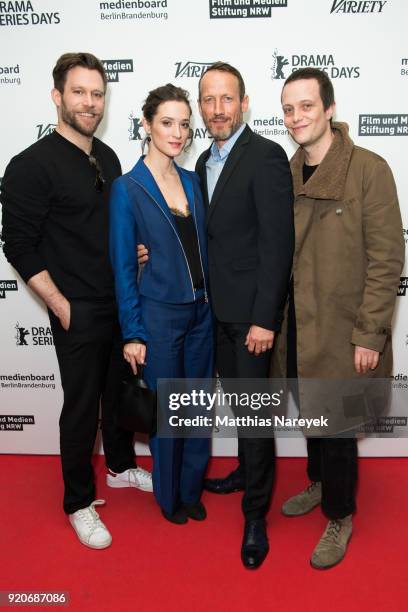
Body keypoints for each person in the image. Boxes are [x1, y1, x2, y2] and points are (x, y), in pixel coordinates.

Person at [139, 63, 294, 568]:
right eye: (209, 100)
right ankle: (247, 475)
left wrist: (264, 319)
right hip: (209, 317)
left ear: (244, 104)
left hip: (250, 320)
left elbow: (277, 246)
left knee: (253, 418)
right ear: (201, 108)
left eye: (228, 99)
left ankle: (255, 517)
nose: (218, 109)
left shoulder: (267, 157)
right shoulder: (201, 160)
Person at [1, 52, 152, 551]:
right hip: (77, 309)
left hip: (119, 303)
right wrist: (61, 305)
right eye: (79, 92)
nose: (89, 102)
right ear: (57, 97)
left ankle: (121, 466)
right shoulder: (30, 165)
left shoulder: (106, 158)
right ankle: (77, 503)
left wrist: (133, 253)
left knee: (119, 393)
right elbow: (18, 244)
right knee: (82, 407)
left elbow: (102, 229)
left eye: (96, 93)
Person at [273, 67, 404, 569]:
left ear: (329, 109)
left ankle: (339, 513)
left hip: (346, 328)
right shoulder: (285, 173)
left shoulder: (369, 169)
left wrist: (370, 332)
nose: (296, 117)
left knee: (340, 423)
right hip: (299, 324)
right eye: (288, 108)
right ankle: (320, 480)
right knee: (312, 411)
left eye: (306, 106)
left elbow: (387, 257)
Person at [109, 84, 214, 525]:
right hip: (159, 316)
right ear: (147, 125)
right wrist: (132, 331)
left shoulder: (193, 180)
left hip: (203, 313)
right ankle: (169, 498)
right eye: (167, 123)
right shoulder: (127, 188)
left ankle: (190, 490)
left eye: (184, 124)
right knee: (170, 415)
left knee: (199, 408)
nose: (177, 133)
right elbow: (122, 267)